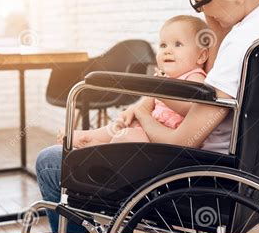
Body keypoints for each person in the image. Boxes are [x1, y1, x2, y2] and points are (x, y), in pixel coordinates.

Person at [35, 0, 259, 233]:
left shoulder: (241, 44)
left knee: (51, 162)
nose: (201, 13)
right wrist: (214, 21)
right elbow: (213, 104)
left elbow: (184, 140)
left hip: (195, 177)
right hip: (246, 176)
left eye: (200, 2)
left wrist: (145, 111)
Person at [56, 15, 209, 149]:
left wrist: (160, 90)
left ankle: (101, 149)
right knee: (121, 125)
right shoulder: (165, 78)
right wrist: (132, 110)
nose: (167, 50)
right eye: (163, 45)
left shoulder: (195, 77)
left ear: (201, 57)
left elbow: (192, 108)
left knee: (126, 137)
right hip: (149, 128)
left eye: (178, 44)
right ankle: (89, 135)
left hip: (163, 138)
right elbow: (144, 105)